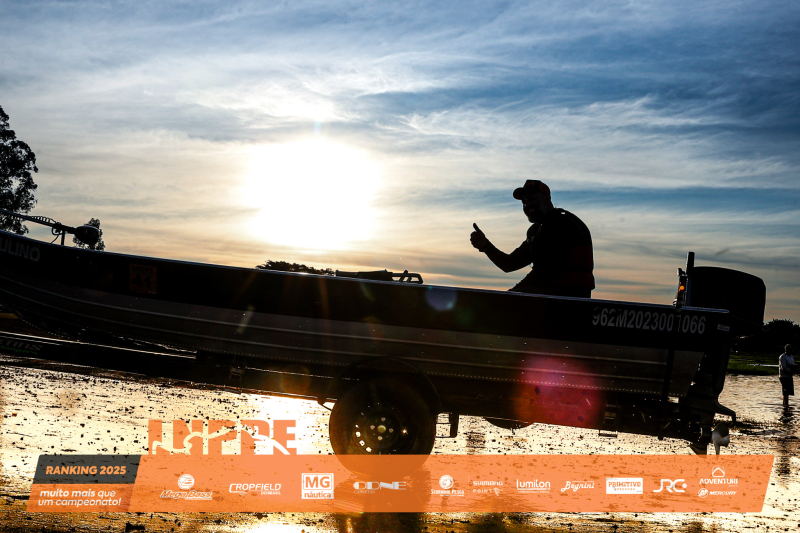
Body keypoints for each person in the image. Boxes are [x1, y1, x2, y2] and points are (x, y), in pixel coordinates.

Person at [470, 180, 595, 297]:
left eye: (532, 199)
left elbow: (546, 272)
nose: (527, 205)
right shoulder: (536, 231)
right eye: (524, 202)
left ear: (547, 199)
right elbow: (509, 264)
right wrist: (485, 246)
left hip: (569, 299)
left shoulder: (564, 225)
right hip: (546, 297)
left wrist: (512, 294)